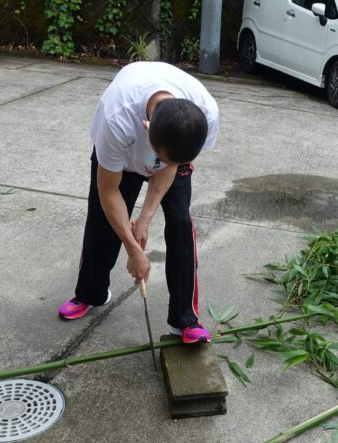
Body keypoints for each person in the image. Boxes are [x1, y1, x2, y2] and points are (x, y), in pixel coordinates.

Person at [58, 62, 219, 344]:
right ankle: (90, 293)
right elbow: (108, 191)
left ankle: (185, 319)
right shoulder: (116, 119)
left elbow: (171, 165)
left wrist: (144, 219)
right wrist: (133, 250)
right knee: (101, 221)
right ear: (147, 130)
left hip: (170, 148)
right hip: (123, 160)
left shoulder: (205, 112)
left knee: (181, 222)